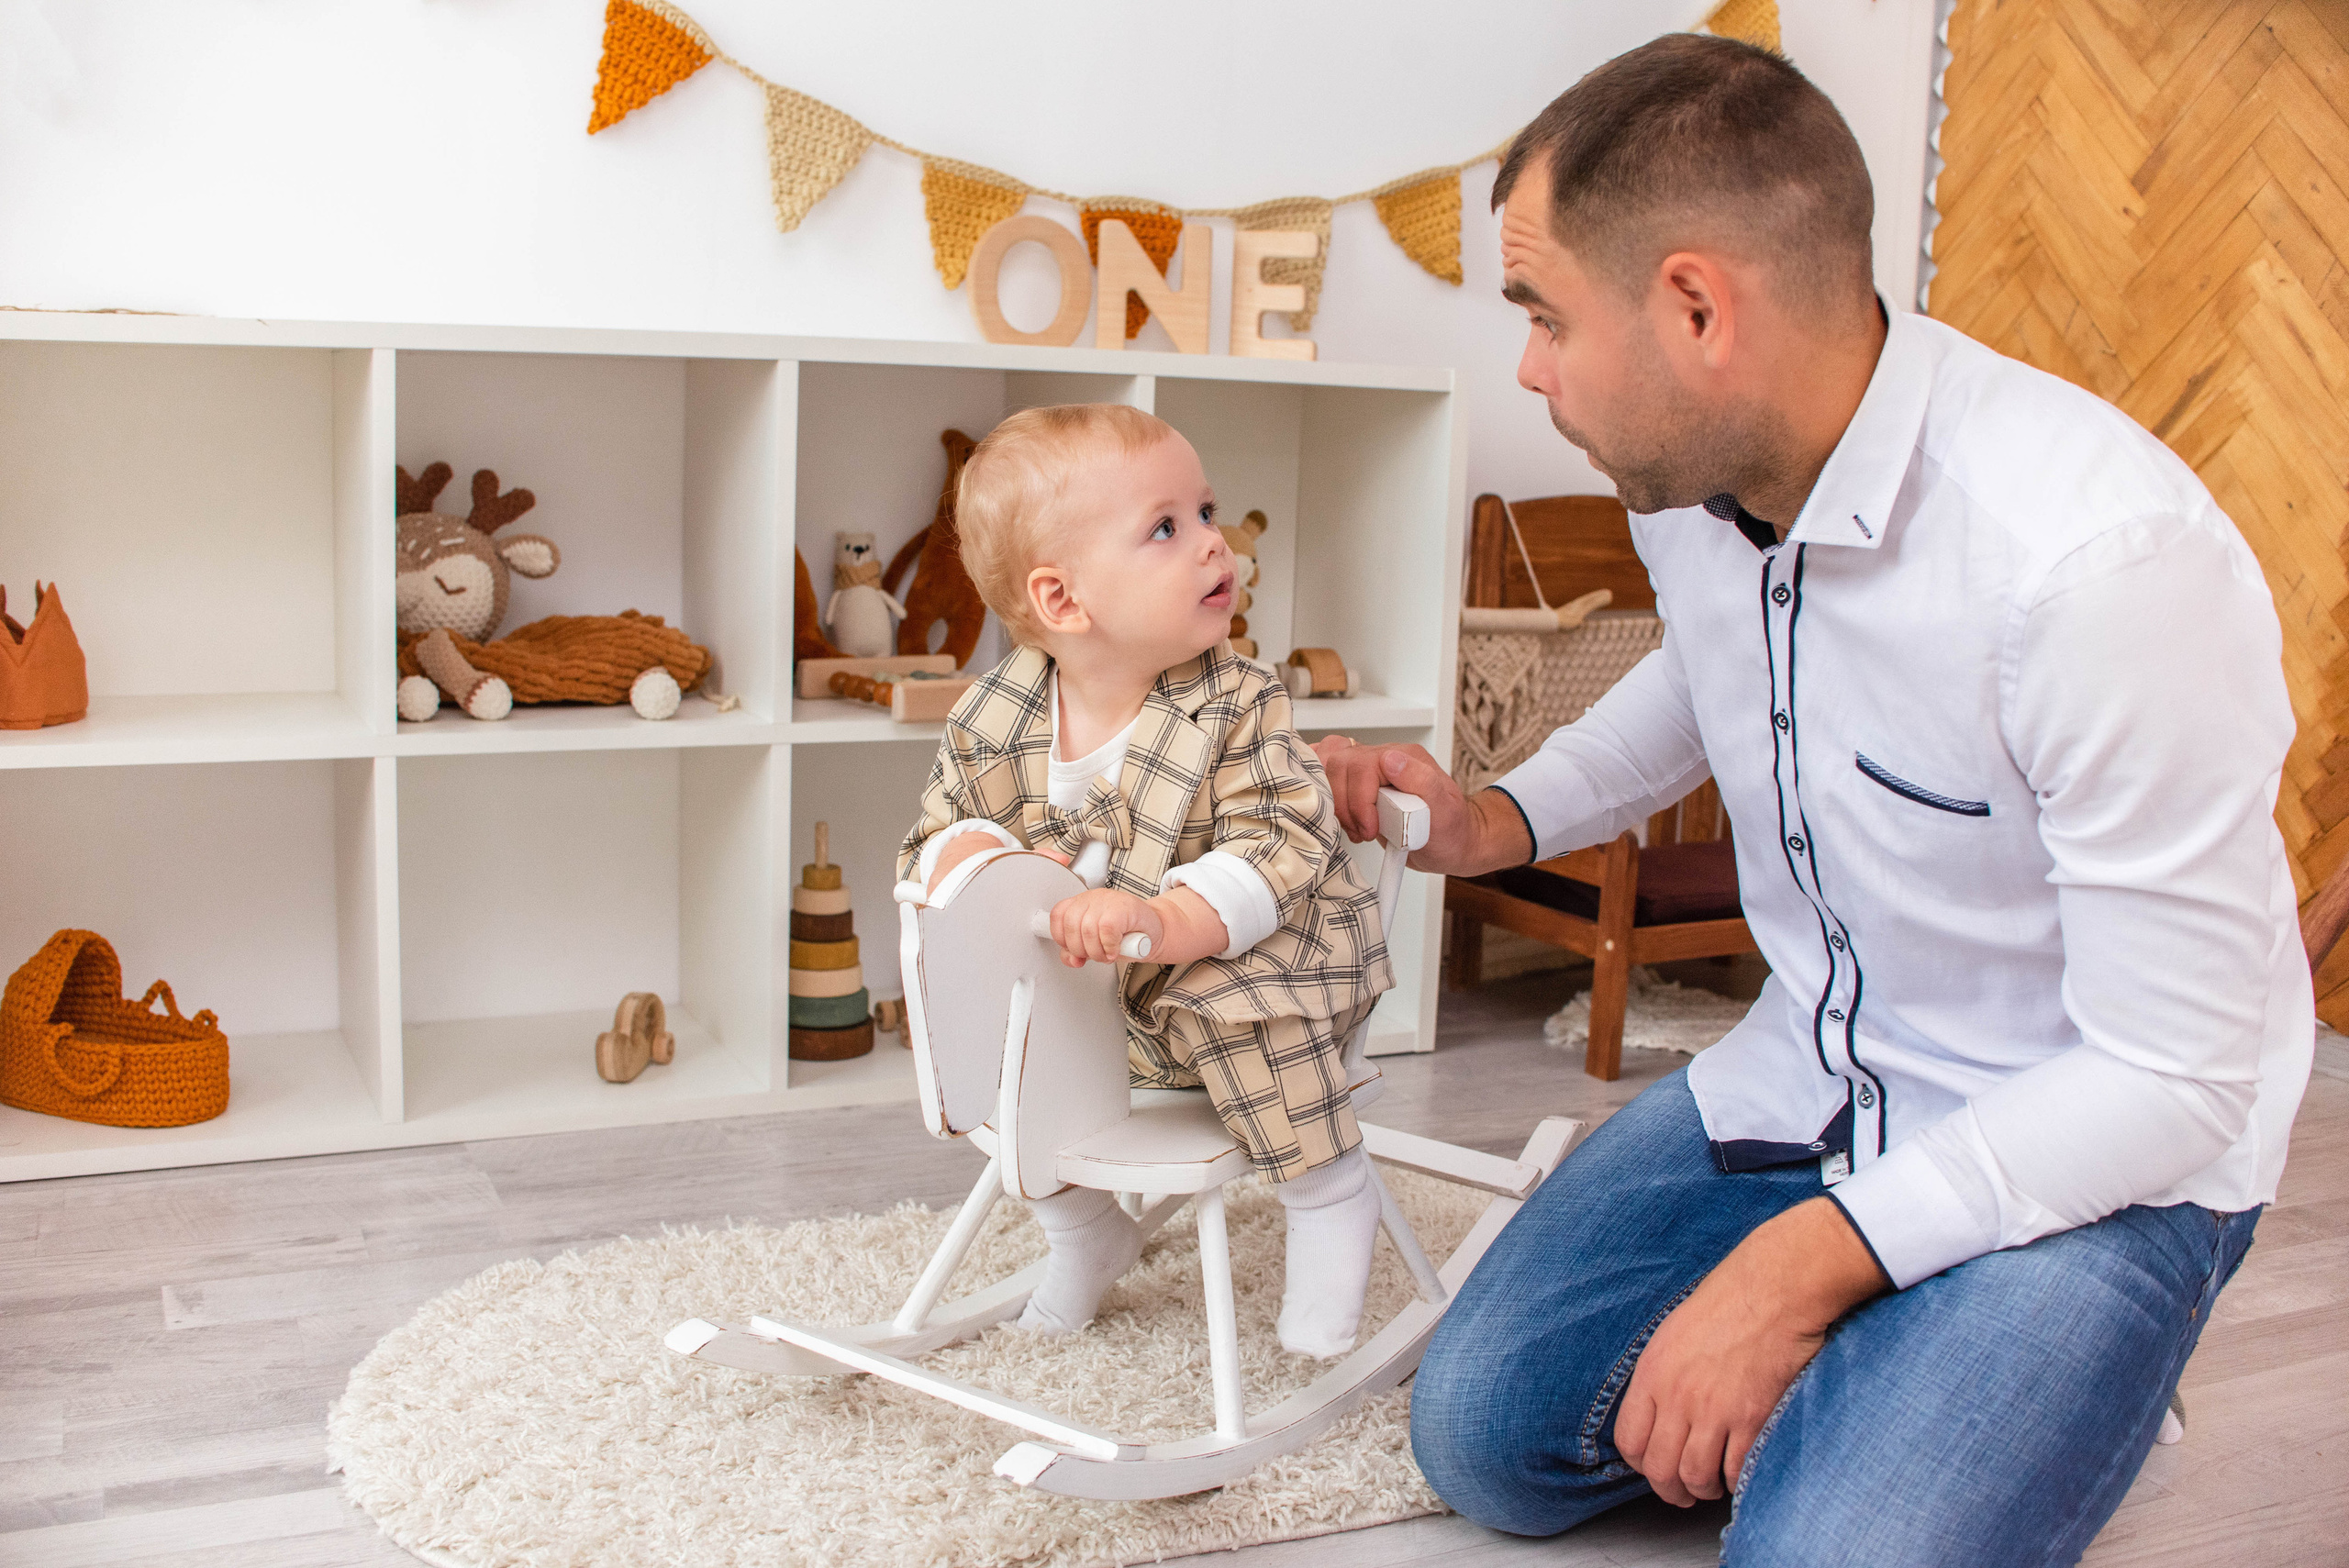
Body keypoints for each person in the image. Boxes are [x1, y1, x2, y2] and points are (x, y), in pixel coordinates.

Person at [1316, 33, 2313, 1563]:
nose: (1527, 366)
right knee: (1488, 1434)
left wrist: (1795, 1271)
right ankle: (1919, 1356)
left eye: (1543, 315)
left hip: (2101, 1144)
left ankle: (2056, 1367)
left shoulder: (2099, 572)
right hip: (1820, 1077)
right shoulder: (1702, 479)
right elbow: (1705, 684)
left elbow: (2177, 1077)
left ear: (1700, 307)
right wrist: (1493, 820)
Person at [902, 403, 1395, 1359]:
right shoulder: (992, 719)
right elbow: (933, 838)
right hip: (1107, 996)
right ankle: (1083, 1230)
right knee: (1004, 1018)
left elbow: (1281, 838)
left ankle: (1328, 1189)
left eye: (1204, 511)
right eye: (1167, 528)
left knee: (1225, 994)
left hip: (1267, 959)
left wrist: (1168, 917)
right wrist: (978, 860)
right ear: (1063, 601)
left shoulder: (1239, 699)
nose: (1214, 544)